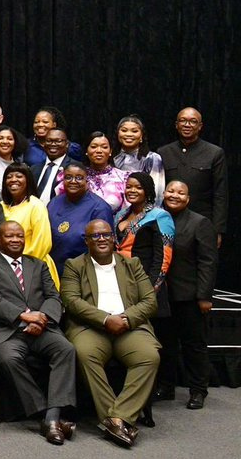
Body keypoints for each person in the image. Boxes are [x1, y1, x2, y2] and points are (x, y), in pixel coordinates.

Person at [0, 221, 77, 445]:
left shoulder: (38, 265)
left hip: (42, 328)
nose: (15, 240)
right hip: (5, 331)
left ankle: (51, 417)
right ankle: (48, 415)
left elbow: (53, 296)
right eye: (9, 236)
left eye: (19, 236)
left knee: (66, 349)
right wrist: (23, 316)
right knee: (8, 359)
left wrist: (42, 318)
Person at [59, 220, 160, 448]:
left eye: (106, 234)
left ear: (114, 238)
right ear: (86, 241)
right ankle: (117, 420)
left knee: (149, 356)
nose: (101, 239)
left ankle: (116, 418)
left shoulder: (132, 264)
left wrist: (125, 319)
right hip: (91, 327)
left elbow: (149, 301)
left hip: (129, 326)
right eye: (95, 236)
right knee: (84, 353)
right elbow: (71, 301)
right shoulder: (75, 265)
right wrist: (105, 319)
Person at [158, 180, 218, 409]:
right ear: (163, 193)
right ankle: (166, 386)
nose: (175, 195)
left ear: (188, 198)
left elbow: (208, 262)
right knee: (165, 344)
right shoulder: (157, 219)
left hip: (190, 296)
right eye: (170, 191)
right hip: (163, 295)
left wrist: (204, 297)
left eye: (180, 193)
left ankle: (198, 390)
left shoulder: (200, 223)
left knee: (194, 345)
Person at [157, 107, 228, 247]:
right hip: (169, 221)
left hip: (202, 222)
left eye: (193, 121)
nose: (187, 125)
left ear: (200, 126)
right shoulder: (163, 152)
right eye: (183, 121)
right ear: (176, 125)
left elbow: (220, 194)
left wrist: (217, 230)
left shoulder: (214, 153)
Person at [113, 173, 174, 320]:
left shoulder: (160, 216)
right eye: (129, 187)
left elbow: (163, 257)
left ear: (147, 190)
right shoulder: (120, 215)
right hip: (120, 280)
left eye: (138, 187)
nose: (132, 190)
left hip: (145, 280)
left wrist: (150, 289)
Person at [46, 162, 114, 276]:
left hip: (83, 273)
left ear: (87, 181)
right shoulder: (54, 202)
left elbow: (104, 249)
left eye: (79, 178)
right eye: (68, 177)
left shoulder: (99, 208)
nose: (73, 181)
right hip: (53, 270)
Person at [0, 162, 58, 287]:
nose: (13, 180)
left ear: (28, 180)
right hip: (6, 269)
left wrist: (22, 267)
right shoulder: (1, 206)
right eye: (9, 177)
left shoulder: (35, 205)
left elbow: (42, 243)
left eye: (19, 176)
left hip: (34, 268)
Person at [57, 132, 128, 210]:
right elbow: (61, 204)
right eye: (94, 147)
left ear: (110, 151)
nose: (99, 151)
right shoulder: (73, 176)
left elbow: (128, 211)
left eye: (104, 147)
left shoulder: (123, 178)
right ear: (86, 151)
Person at [113, 115, 165, 195]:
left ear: (141, 136)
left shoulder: (151, 158)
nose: (129, 134)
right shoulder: (110, 158)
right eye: (124, 130)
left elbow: (157, 191)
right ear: (118, 134)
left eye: (134, 131)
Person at [30, 128, 73, 204]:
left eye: (58, 141)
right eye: (49, 141)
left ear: (67, 144)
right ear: (44, 144)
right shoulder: (34, 169)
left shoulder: (74, 167)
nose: (53, 144)